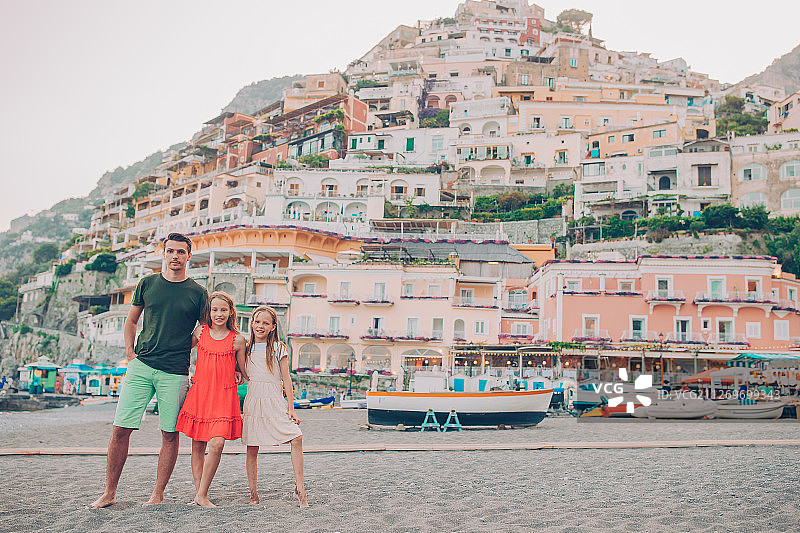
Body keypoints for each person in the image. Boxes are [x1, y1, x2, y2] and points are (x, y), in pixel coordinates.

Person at [91, 232, 209, 509]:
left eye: (181, 252)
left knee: (169, 433)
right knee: (121, 429)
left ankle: (157, 494)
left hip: (175, 371)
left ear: (189, 256)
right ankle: (110, 492)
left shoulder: (198, 292)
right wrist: (130, 353)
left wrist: (187, 345)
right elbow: (131, 321)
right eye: (170, 251)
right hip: (141, 366)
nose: (175, 256)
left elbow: (204, 329)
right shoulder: (147, 283)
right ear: (163, 253)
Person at [175, 291, 247, 508]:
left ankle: (202, 494)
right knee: (197, 446)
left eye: (223, 310)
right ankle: (200, 495)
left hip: (224, 397)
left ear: (230, 312)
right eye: (214, 310)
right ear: (208, 311)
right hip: (200, 395)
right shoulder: (200, 332)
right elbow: (180, 350)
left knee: (217, 444)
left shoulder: (238, 340)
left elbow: (244, 370)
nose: (219, 314)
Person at [242, 306, 308, 508]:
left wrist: (291, 408)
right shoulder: (245, 347)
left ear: (272, 327)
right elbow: (239, 371)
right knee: (252, 447)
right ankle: (253, 494)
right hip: (254, 399)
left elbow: (286, 378)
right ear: (252, 323)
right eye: (257, 321)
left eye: (265, 323)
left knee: (296, 438)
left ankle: (300, 488)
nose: (260, 326)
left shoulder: (279, 348)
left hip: (275, 399)